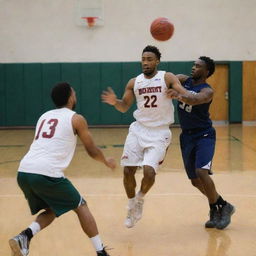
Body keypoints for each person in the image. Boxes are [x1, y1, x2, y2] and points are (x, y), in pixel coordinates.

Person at [9, 82, 116, 256]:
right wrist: (106, 161)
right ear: (70, 97)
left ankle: (25, 236)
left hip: (24, 172)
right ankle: (101, 252)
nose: (75, 95)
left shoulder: (44, 116)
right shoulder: (76, 118)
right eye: (73, 93)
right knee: (81, 205)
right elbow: (91, 150)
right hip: (46, 173)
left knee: (52, 209)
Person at [101, 45, 192, 228]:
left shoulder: (167, 77)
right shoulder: (134, 82)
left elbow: (187, 96)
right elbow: (124, 106)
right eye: (143, 59)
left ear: (157, 61)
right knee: (128, 171)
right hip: (138, 129)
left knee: (149, 173)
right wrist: (114, 103)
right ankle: (131, 204)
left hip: (159, 132)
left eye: (150, 59)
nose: (145, 62)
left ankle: (140, 198)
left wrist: (179, 95)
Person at [167, 56, 235, 229]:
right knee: (195, 181)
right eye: (194, 65)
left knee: (202, 172)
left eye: (198, 66)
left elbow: (195, 100)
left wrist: (179, 95)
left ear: (206, 72)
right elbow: (167, 78)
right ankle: (223, 205)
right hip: (186, 137)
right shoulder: (183, 80)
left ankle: (214, 208)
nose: (194, 67)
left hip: (204, 135)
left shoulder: (207, 91)